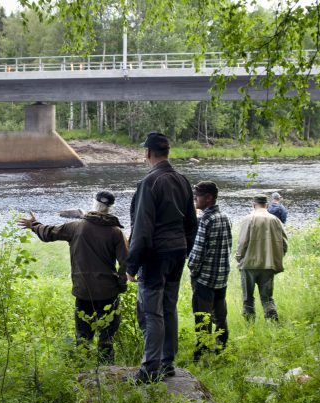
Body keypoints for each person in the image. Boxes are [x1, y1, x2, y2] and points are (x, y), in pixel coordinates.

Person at [18, 191, 128, 364]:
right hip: (108, 292)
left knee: (83, 337)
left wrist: (34, 225)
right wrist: (121, 285)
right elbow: (125, 263)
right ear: (110, 208)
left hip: (82, 290)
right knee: (106, 338)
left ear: (94, 204)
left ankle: (83, 372)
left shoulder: (75, 227)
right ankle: (108, 373)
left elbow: (48, 233)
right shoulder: (115, 232)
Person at [125, 132, 198, 383]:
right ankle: (167, 363)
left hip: (156, 255)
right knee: (169, 307)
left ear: (148, 153)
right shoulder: (182, 180)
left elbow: (142, 228)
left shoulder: (150, 183)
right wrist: (184, 249)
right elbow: (192, 223)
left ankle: (150, 369)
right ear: (167, 152)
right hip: (177, 253)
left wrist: (131, 265)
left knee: (151, 311)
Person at [187, 181, 232, 361]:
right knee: (220, 315)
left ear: (209, 198)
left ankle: (201, 353)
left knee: (202, 318)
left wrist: (192, 270)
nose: (195, 199)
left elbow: (197, 253)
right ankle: (222, 347)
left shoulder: (205, 219)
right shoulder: (226, 217)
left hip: (205, 279)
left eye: (197, 195)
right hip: (222, 277)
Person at [236, 194, 289, 321]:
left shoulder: (248, 219)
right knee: (267, 298)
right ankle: (273, 324)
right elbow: (285, 243)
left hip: (249, 264)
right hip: (268, 265)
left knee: (247, 298)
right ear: (267, 205)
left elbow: (242, 242)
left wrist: (239, 257)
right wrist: (277, 257)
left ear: (253, 205)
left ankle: (249, 326)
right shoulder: (275, 220)